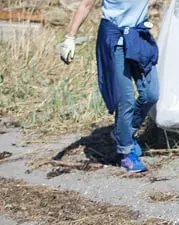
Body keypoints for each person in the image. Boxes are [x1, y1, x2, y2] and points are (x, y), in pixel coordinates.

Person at [59, 0, 159, 173]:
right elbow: (86, 5)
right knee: (125, 99)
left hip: (138, 36)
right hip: (114, 40)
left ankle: (122, 132)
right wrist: (70, 38)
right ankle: (126, 151)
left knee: (151, 94)